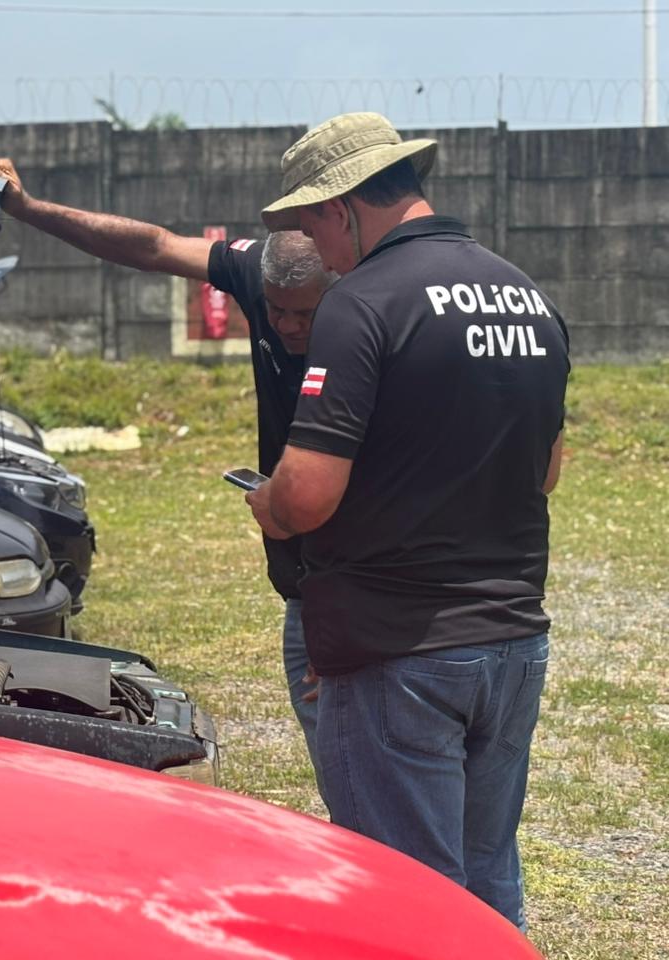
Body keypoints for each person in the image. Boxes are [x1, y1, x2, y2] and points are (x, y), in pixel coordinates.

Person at [244, 112, 568, 930]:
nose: (319, 251)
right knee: (488, 884)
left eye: (312, 225)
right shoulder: (527, 294)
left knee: (403, 905)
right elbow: (547, 470)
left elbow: (309, 493)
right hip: (512, 640)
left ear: (342, 207)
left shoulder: (362, 303)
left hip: (399, 652)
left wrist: (270, 505)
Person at [0, 156, 333, 792]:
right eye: (278, 312)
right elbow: (154, 245)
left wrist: (346, 629)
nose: (291, 327)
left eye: (307, 313)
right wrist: (30, 210)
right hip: (303, 574)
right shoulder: (253, 270)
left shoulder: (375, 300)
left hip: (353, 586)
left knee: (367, 777)